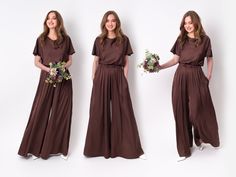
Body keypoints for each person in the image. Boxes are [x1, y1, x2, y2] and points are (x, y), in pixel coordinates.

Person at [158, 10, 220, 161]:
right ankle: (184, 149)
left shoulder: (205, 40)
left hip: (197, 76)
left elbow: (210, 58)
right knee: (181, 111)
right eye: (185, 23)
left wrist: (209, 75)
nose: (187, 26)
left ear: (196, 23)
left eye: (190, 23)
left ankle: (199, 138)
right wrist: (160, 67)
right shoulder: (181, 40)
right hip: (181, 76)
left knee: (196, 111)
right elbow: (175, 60)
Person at [84, 10, 144, 159]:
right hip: (102, 75)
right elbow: (95, 61)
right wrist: (94, 78)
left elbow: (126, 62)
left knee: (123, 110)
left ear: (117, 23)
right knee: (99, 111)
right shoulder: (99, 40)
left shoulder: (124, 40)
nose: (110, 23)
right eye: (108, 20)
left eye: (113, 20)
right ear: (104, 23)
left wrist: (124, 78)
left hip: (118, 75)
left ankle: (127, 149)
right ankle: (97, 149)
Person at [18, 10, 75, 160]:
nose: (51, 21)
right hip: (46, 78)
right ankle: (35, 148)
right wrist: (49, 69)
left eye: (54, 18)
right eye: (48, 18)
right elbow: (36, 62)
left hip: (64, 78)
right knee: (40, 111)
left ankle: (60, 149)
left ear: (58, 21)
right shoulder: (41, 39)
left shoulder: (66, 39)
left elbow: (70, 60)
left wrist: (62, 67)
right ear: (46, 22)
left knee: (62, 112)